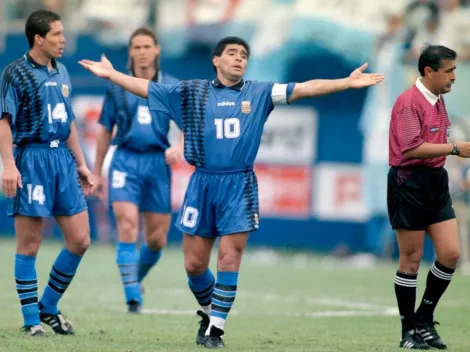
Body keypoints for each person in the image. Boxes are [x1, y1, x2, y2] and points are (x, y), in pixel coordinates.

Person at [79, 36, 383, 349]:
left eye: (244, 55)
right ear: (216, 60)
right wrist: (112, 74)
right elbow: (146, 88)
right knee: (194, 265)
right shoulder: (191, 92)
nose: (239, 59)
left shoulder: (260, 92)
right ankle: (210, 313)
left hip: (239, 186)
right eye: (232, 53)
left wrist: (346, 83)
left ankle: (216, 331)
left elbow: (305, 87)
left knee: (228, 257)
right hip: (202, 184)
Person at [0, 10, 94, 336]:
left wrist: (81, 163)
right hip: (32, 159)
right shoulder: (16, 73)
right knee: (29, 244)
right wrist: (9, 165)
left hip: (62, 161)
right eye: (56, 34)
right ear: (39, 39)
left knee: (80, 239)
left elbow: (69, 123)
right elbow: (4, 122)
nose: (63, 40)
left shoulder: (63, 70)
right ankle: (30, 322)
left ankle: (48, 306)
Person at [93, 26, 183, 313]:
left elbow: (189, 125)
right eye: (137, 47)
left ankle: (135, 277)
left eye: (147, 46)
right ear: (130, 51)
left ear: (157, 50)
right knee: (127, 224)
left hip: (158, 163)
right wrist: (96, 172)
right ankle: (132, 296)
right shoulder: (116, 86)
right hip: (126, 160)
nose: (142, 52)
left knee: (157, 239)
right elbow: (105, 130)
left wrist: (179, 146)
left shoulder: (171, 86)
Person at [388, 45, 470, 349]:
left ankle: (422, 319)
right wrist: (453, 148)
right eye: (448, 71)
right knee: (410, 260)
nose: (454, 77)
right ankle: (407, 332)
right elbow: (410, 148)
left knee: (450, 254)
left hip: (436, 181)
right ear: (429, 72)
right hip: (408, 182)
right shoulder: (408, 102)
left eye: (455, 70)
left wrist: (452, 152)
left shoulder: (439, 101)